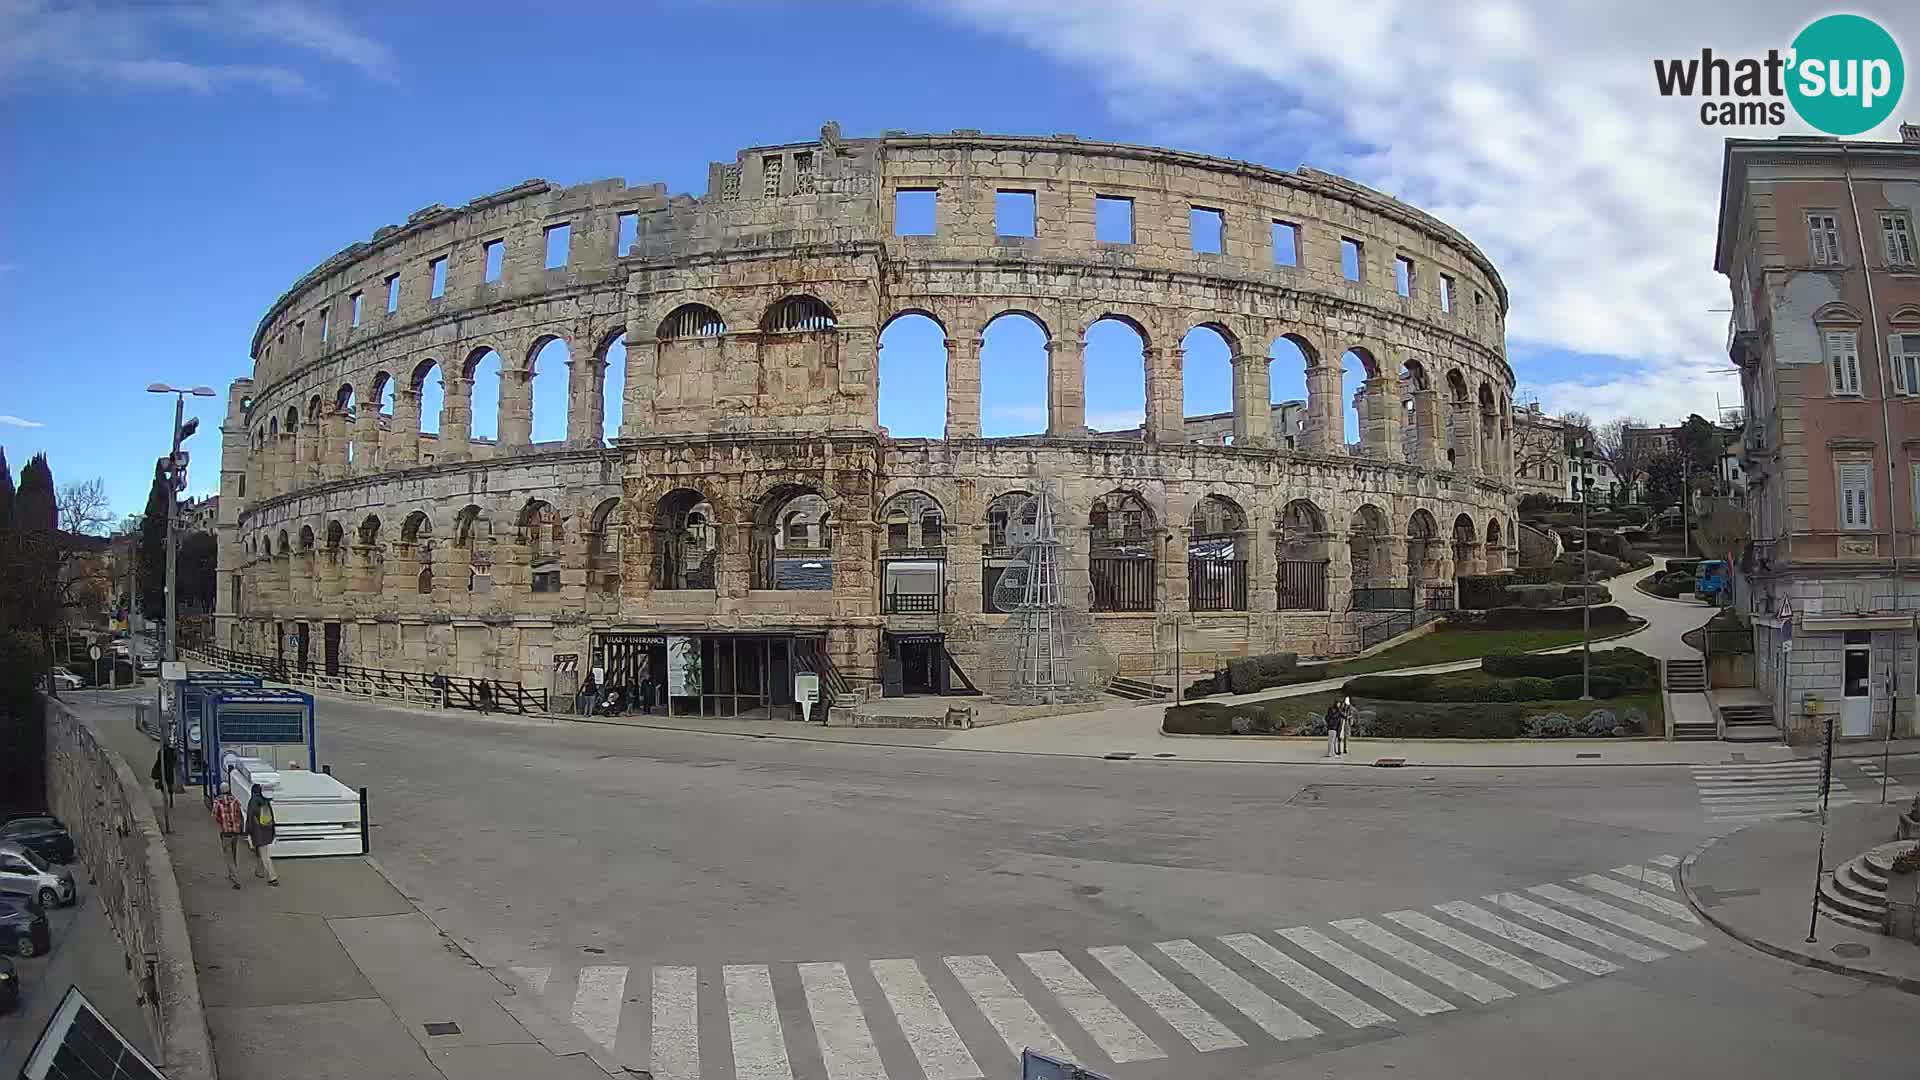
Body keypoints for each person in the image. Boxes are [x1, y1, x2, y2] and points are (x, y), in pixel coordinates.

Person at [211, 782, 246, 889]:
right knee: (234, 853)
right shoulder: (235, 800)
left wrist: (222, 822)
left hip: (225, 833)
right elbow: (240, 814)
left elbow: (214, 815)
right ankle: (232, 874)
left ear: (221, 790)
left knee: (228, 856)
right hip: (235, 833)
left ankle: (236, 880)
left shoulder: (217, 802)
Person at [244, 783, 279, 886]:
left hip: (258, 832)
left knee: (264, 855)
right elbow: (272, 817)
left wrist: (248, 831)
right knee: (260, 851)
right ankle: (259, 872)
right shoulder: (265, 801)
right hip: (267, 831)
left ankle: (273, 877)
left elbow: (250, 818)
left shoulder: (253, 802)